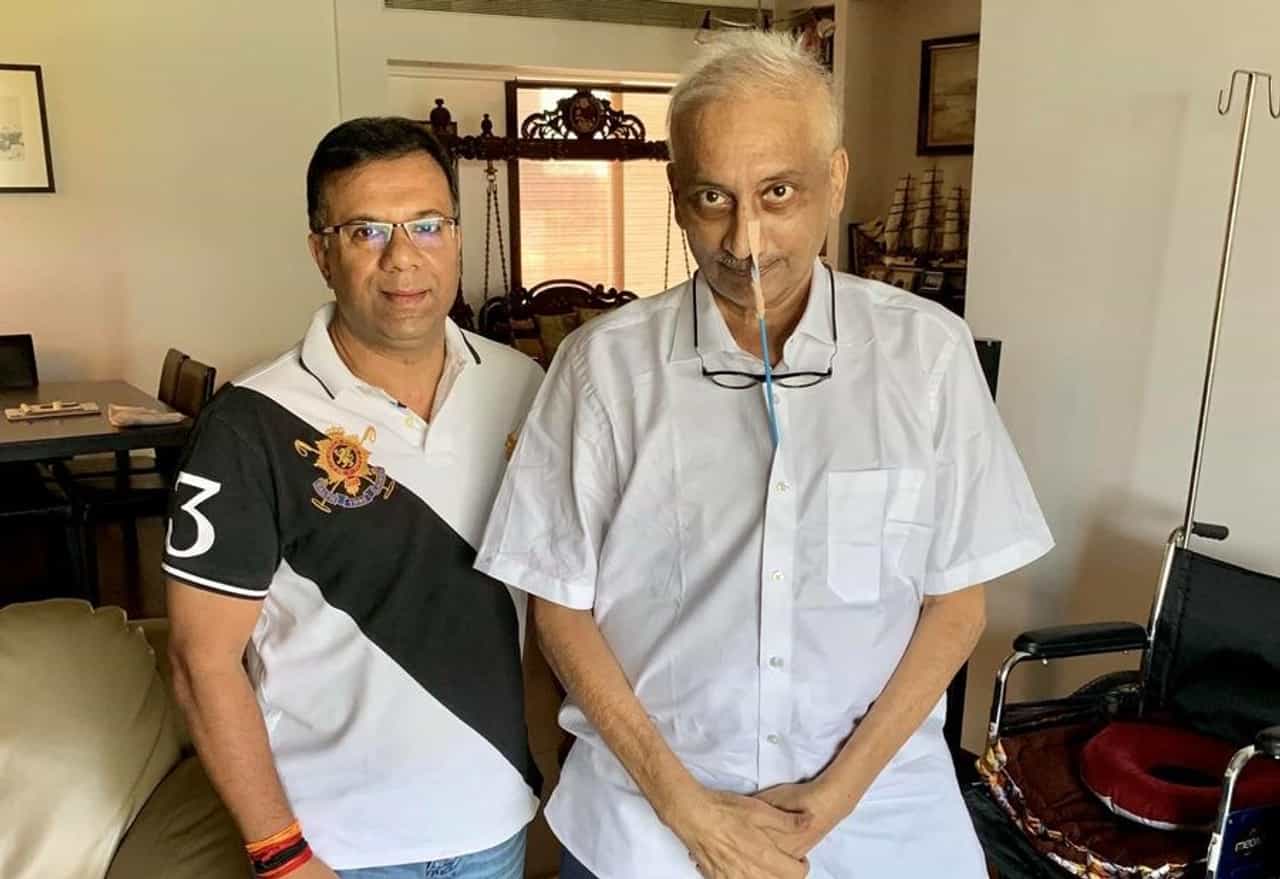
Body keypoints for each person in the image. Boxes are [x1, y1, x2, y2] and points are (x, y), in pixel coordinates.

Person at [475, 31, 1053, 879]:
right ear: (677, 198)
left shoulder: (927, 355)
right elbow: (559, 608)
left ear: (836, 180)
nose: (745, 240)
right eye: (713, 197)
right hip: (646, 827)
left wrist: (833, 798)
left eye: (778, 192)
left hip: (880, 823)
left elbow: (956, 603)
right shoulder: (602, 369)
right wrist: (688, 811)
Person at [164, 117, 542, 879]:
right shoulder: (253, 423)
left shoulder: (523, 386)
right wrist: (281, 853)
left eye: (427, 225)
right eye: (366, 230)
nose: (404, 257)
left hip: (495, 821)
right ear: (321, 253)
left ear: (457, 236)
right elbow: (200, 660)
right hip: (339, 846)